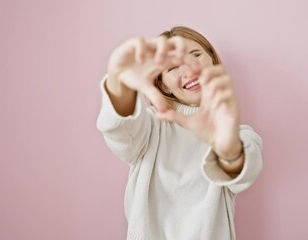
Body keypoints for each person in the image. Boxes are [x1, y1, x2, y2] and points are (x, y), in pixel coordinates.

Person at [96, 26, 263, 240]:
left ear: (211, 58)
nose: (188, 70)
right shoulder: (151, 125)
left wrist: (227, 148)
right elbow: (121, 130)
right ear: (163, 86)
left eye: (195, 55)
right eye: (172, 67)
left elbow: (245, 169)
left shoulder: (238, 134)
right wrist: (120, 82)